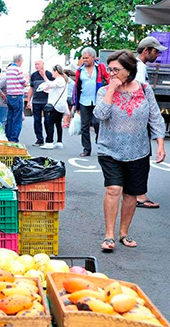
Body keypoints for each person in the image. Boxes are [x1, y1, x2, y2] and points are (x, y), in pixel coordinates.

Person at [94, 50, 166, 251]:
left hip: (139, 150)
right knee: (113, 189)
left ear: (129, 70)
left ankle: (123, 233)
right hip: (110, 149)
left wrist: (160, 143)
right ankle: (109, 236)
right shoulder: (103, 91)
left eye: (116, 70)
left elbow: (155, 117)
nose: (112, 73)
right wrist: (111, 90)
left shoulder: (144, 89)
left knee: (131, 194)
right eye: (110, 69)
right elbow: (100, 114)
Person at [133, 37, 168, 210]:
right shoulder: (138, 68)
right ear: (146, 50)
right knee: (141, 158)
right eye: (156, 51)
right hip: (139, 120)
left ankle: (136, 193)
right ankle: (140, 195)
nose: (158, 55)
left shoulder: (137, 66)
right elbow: (139, 95)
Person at [74, 47, 110, 157]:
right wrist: (76, 105)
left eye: (87, 58)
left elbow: (108, 79)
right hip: (84, 100)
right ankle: (86, 149)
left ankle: (100, 145)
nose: (84, 60)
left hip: (97, 101)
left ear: (93, 57)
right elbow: (77, 87)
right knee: (84, 126)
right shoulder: (80, 70)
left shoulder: (100, 68)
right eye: (83, 58)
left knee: (97, 123)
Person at [40, 64, 69, 149]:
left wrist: (44, 75)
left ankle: (49, 142)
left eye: (53, 71)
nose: (52, 73)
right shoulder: (62, 80)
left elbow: (50, 84)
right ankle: (59, 141)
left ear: (56, 71)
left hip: (55, 106)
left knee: (50, 123)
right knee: (58, 123)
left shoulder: (59, 80)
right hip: (60, 106)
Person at [27, 60, 54, 146]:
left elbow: (53, 86)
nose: (36, 66)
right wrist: (28, 100)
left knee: (48, 120)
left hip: (47, 101)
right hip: (36, 101)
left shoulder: (49, 74)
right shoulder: (34, 75)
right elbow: (31, 88)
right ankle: (39, 139)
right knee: (37, 121)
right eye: (35, 64)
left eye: (38, 64)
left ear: (43, 64)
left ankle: (49, 139)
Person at [6, 54, 28, 142]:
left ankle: (8, 137)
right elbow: (24, 83)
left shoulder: (9, 69)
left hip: (9, 96)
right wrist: (27, 78)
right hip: (17, 96)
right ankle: (14, 139)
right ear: (19, 60)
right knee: (17, 119)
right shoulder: (18, 70)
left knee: (10, 118)